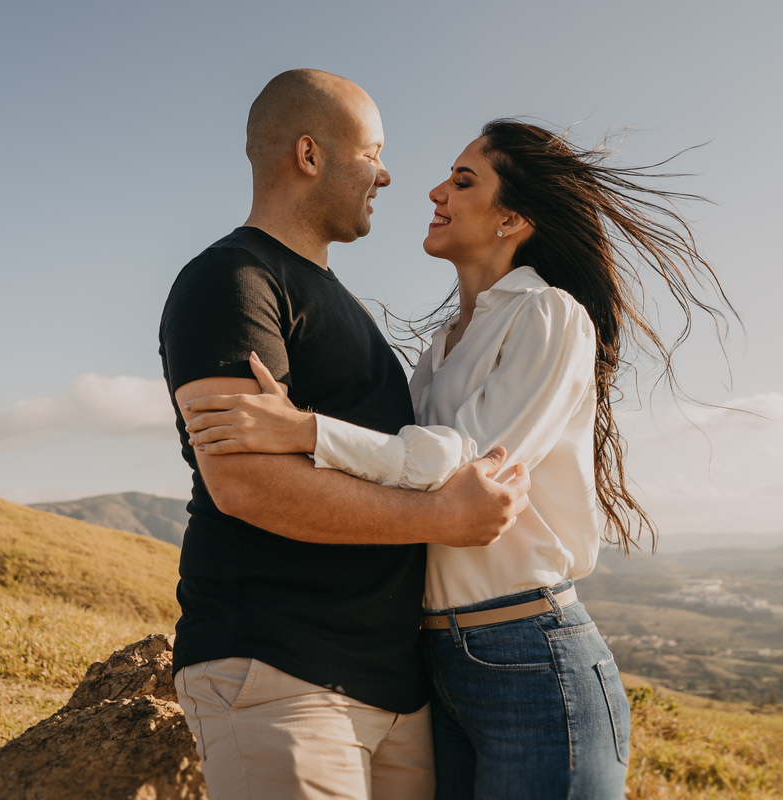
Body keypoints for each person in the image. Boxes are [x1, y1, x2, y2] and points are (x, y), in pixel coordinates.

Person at [185, 120, 736, 799]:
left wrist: (306, 432)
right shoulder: (438, 351)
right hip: (435, 664)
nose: (435, 190)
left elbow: (459, 469)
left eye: (463, 180)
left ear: (513, 217)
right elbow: (408, 478)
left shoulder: (549, 315)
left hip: (530, 653)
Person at [158, 71, 532, 800]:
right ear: (309, 154)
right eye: (373, 154)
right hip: (278, 674)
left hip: (392, 691)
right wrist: (443, 519)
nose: (388, 176)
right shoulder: (231, 281)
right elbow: (245, 483)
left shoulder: (344, 306)